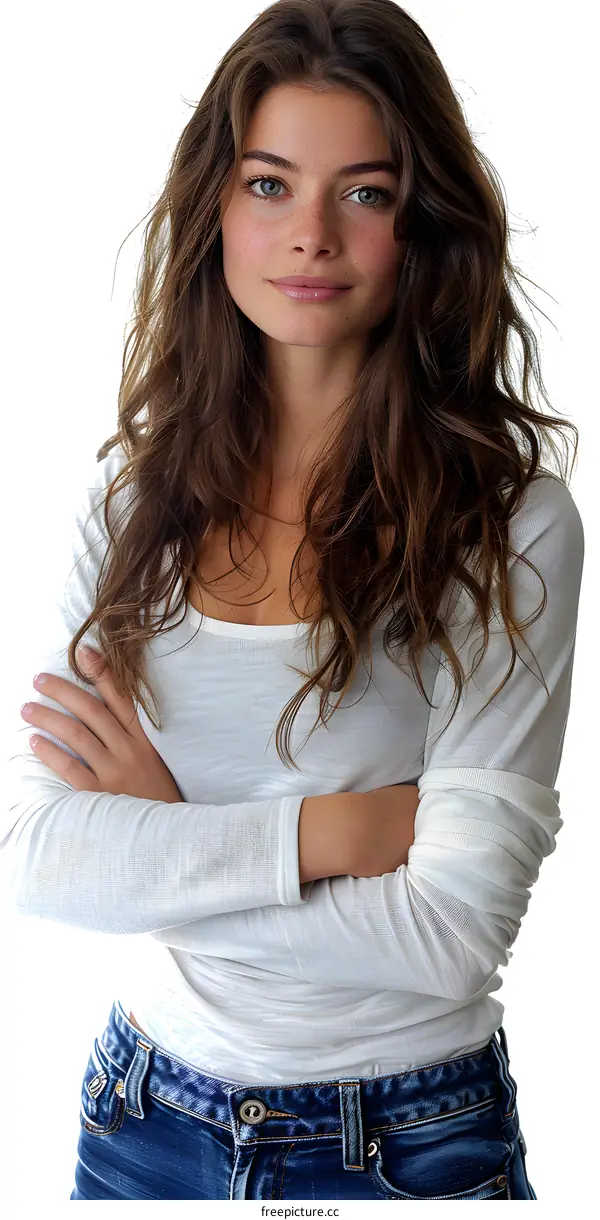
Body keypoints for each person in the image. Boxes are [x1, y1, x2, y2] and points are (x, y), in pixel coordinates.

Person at [3, 0, 584, 1202]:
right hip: (141, 1119)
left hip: (404, 1136)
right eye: (270, 184)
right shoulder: (130, 502)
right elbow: (37, 855)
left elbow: (451, 934)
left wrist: (157, 839)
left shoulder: (508, 525)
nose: (310, 234)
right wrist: (327, 834)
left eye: (364, 192)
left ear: (422, 226)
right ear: (216, 206)